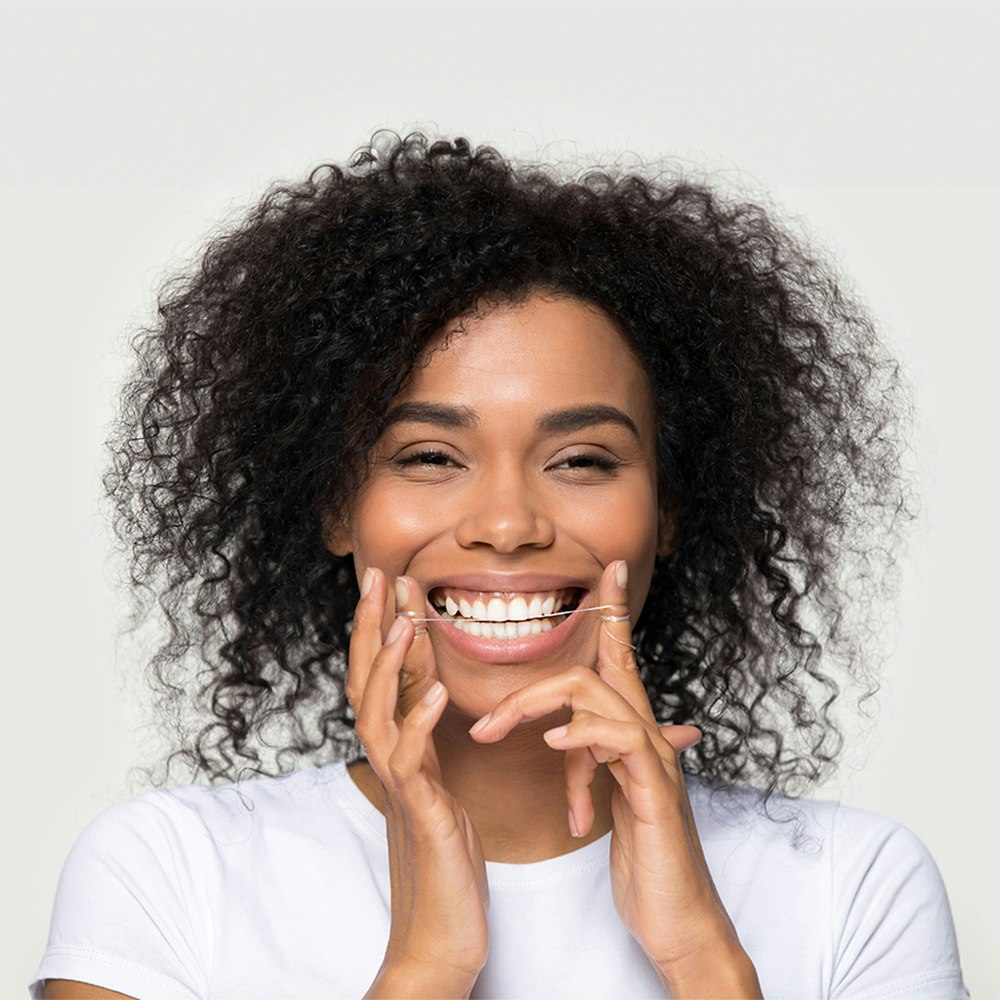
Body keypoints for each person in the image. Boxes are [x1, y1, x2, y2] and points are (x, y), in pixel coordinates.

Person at [33, 132, 967, 999]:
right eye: (430, 457)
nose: (509, 523)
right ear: (334, 506)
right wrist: (430, 962)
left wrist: (698, 954)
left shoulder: (854, 885)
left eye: (582, 460)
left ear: (670, 511)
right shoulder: (167, 875)